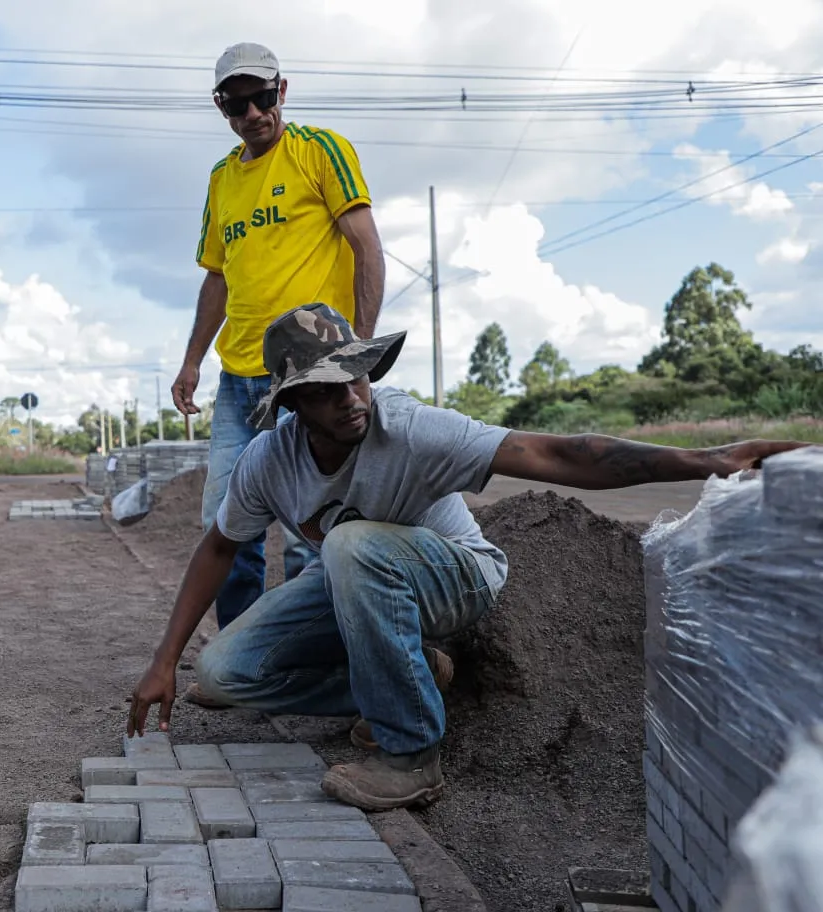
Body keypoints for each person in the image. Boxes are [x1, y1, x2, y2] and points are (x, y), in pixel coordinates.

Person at [131, 302, 811, 811]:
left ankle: (411, 753)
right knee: (221, 675)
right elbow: (219, 546)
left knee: (347, 545)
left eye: (358, 378)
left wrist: (703, 460)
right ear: (291, 402)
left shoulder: (410, 428)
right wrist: (163, 661)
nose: (352, 398)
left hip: (458, 573)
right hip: (361, 577)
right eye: (327, 389)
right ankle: (416, 673)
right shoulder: (269, 463)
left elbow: (554, 453)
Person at [171, 42, 387, 662]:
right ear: (222, 108)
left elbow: (366, 246)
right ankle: (248, 654)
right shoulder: (220, 179)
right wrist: (192, 360)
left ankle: (310, 652)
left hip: (311, 378)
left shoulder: (321, 151)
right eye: (237, 105)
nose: (253, 113)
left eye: (262, 98)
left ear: (282, 91)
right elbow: (218, 277)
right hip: (239, 383)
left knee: (309, 532)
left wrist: (358, 353)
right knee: (227, 525)